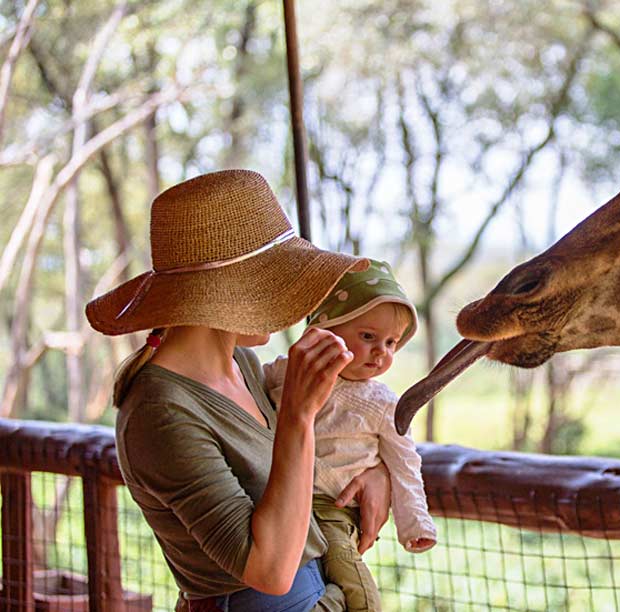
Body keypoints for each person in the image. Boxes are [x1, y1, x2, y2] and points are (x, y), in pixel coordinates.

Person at [85, 169, 391, 612]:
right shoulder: (159, 412)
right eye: (275, 281)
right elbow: (269, 570)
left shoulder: (242, 363)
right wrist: (298, 415)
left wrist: (376, 470)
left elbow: (301, 466)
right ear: (231, 292)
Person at [263, 260, 437, 612]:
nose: (381, 352)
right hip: (280, 500)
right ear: (325, 329)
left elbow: (405, 464)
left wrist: (414, 522)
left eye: (391, 342)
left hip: (334, 509)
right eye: (369, 337)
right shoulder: (286, 371)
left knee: (349, 575)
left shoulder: (383, 403)